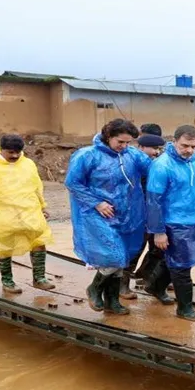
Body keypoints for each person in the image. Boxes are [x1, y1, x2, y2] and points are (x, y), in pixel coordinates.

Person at [65, 119, 147, 314]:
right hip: (97, 214)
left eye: (128, 142)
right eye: (120, 142)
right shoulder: (87, 156)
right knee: (114, 256)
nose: (124, 146)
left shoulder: (131, 155)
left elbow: (155, 168)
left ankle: (112, 301)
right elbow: (73, 183)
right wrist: (97, 203)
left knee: (122, 259)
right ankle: (95, 288)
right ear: (108, 136)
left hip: (125, 214)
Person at [0, 134, 55, 294]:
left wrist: (42, 206)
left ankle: (39, 278)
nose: (15, 156)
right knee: (4, 247)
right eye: (11, 152)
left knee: (39, 240)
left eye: (18, 152)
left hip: (28, 210)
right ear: (1, 150)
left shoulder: (28, 164)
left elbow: (36, 186)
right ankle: (7, 282)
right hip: (2, 214)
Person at [146, 124, 195, 323]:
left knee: (180, 261)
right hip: (174, 222)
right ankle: (185, 308)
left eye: (193, 146)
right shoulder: (162, 165)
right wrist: (158, 231)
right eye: (185, 145)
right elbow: (153, 200)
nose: (189, 150)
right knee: (182, 267)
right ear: (174, 141)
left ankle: (155, 286)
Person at [122, 124, 167, 298]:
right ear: (140, 147)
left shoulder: (158, 165)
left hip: (155, 216)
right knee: (134, 250)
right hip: (136, 216)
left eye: (159, 149)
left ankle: (148, 279)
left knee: (158, 250)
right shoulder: (132, 165)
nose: (156, 152)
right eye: (153, 148)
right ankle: (122, 285)